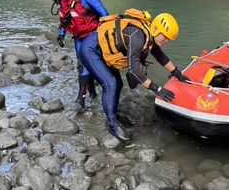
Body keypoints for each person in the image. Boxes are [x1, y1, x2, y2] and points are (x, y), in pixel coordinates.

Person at [78, 9, 190, 141]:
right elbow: (134, 70)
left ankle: (112, 115)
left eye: (169, 39)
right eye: (164, 37)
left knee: (118, 84)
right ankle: (112, 125)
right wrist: (157, 89)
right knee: (111, 85)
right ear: (155, 29)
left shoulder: (149, 35)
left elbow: (160, 56)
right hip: (91, 50)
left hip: (104, 53)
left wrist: (176, 72)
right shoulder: (138, 36)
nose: (166, 41)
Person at [52, 0, 108, 108]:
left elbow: (104, 13)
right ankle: (92, 93)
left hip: (93, 35)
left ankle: (81, 98)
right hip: (78, 37)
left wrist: (103, 34)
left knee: (85, 63)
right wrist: (61, 34)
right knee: (82, 64)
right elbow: (65, 19)